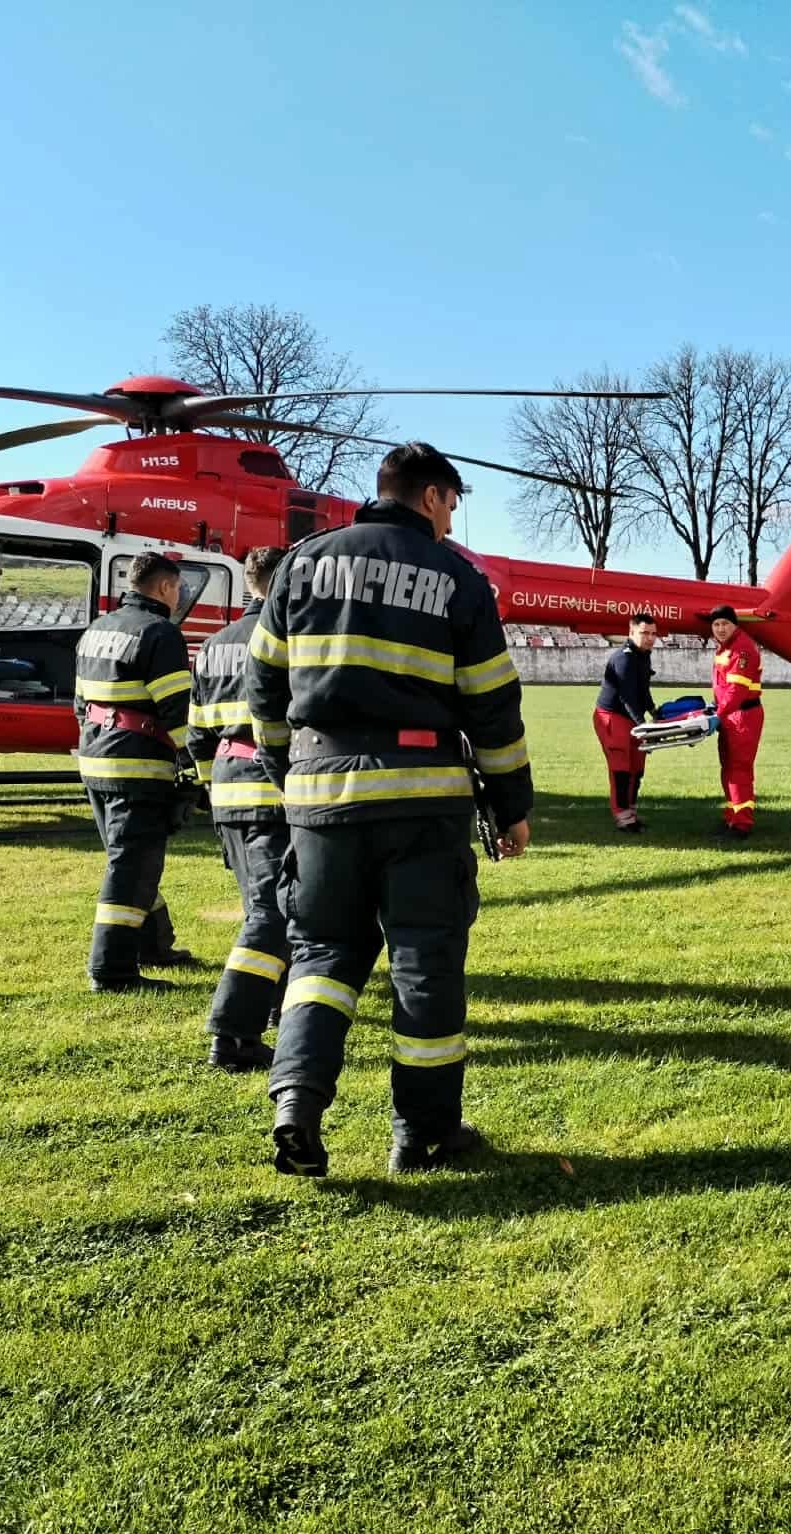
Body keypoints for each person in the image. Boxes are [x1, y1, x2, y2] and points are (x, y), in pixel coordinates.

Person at [245, 442, 533, 1178]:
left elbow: (264, 688)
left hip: (319, 799)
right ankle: (423, 1133)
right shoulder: (456, 577)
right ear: (431, 496)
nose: (451, 520)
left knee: (321, 958)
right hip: (422, 804)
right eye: (452, 504)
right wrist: (511, 806)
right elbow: (492, 706)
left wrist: (289, 774)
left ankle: (296, 1105)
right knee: (424, 963)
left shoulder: (300, 564)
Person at [73, 551, 195, 992]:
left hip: (95, 758)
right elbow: (178, 710)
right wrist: (196, 764)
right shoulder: (161, 633)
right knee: (131, 866)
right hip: (138, 764)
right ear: (164, 587)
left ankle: (153, 945)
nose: (179, 597)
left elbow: (80, 704)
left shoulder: (97, 629)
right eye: (178, 589)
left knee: (131, 859)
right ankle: (112, 971)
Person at [187, 545, 288, 1072]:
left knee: (263, 909)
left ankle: (276, 1005)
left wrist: (213, 791)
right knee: (275, 912)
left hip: (226, 788)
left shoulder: (212, 644)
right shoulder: (287, 634)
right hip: (273, 791)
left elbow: (197, 733)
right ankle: (233, 1034)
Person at [593, 612, 658, 832]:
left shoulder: (643, 655)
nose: (650, 638)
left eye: (653, 634)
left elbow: (643, 691)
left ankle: (631, 812)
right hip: (612, 717)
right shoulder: (623, 658)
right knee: (620, 770)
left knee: (636, 769)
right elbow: (626, 696)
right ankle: (623, 818)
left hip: (630, 717)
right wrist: (642, 724)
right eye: (644, 633)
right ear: (631, 633)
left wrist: (655, 712)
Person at [705, 603, 764, 838]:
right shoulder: (725, 647)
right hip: (730, 714)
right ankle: (732, 815)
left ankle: (742, 824)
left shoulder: (742, 649)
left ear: (734, 625)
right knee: (728, 767)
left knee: (739, 769)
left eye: (725, 624)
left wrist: (718, 715)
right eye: (716, 624)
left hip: (743, 716)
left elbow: (736, 691)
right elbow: (723, 686)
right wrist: (716, 708)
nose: (720, 629)